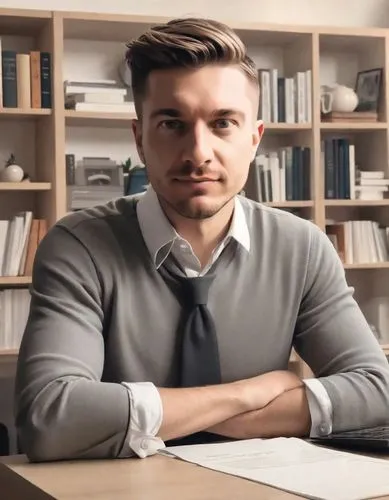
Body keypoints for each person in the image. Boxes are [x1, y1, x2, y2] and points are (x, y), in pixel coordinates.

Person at [14, 17, 389, 462]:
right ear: (139, 138)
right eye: (172, 124)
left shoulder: (302, 247)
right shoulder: (78, 247)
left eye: (223, 123)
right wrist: (250, 393)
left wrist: (171, 414)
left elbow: (376, 389)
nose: (198, 153)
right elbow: (49, 417)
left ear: (255, 138)